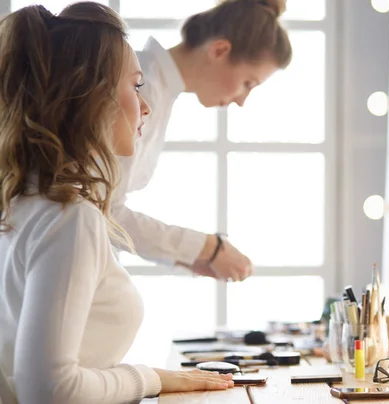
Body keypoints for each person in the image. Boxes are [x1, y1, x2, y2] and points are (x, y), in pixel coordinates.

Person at [0, 3, 235, 403]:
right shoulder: (70, 218)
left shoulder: (21, 202)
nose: (145, 107)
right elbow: (48, 390)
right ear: (89, 96)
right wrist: (149, 379)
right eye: (135, 85)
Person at [113, 0, 292, 281]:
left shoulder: (158, 87)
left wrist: (191, 256)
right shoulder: (143, 86)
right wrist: (206, 248)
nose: (243, 101)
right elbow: (102, 211)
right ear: (220, 50)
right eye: (248, 83)